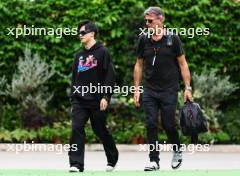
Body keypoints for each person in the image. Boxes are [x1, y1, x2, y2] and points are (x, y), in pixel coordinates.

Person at [133, 7, 193, 171]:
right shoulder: (144, 39)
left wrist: (187, 88)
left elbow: (183, 64)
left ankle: (177, 149)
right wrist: (136, 89)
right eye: (146, 21)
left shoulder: (173, 39)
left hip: (169, 89)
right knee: (151, 123)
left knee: (168, 124)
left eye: (150, 21)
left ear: (161, 20)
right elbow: (139, 65)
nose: (147, 24)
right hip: (150, 89)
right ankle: (154, 160)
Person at [68, 20, 119, 172]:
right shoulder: (79, 55)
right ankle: (76, 164)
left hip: (97, 100)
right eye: (79, 33)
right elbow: (74, 78)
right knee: (76, 128)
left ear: (92, 33)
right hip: (80, 100)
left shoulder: (103, 52)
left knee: (100, 130)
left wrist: (106, 97)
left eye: (83, 32)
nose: (80, 35)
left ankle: (112, 157)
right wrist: (73, 98)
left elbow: (110, 76)